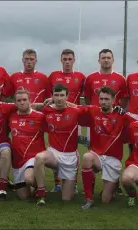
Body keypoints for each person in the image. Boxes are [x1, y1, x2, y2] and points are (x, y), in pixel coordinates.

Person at [78, 87, 131, 209]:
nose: (103, 101)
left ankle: (114, 184)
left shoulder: (122, 115)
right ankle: (88, 198)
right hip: (97, 156)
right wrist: (56, 101)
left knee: (106, 200)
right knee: (86, 157)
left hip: (113, 159)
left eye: (107, 99)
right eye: (101, 99)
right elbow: (74, 108)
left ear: (113, 100)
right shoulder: (93, 110)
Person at [32, 84, 82, 206]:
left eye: (62, 95)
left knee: (66, 199)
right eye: (56, 95)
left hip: (70, 157)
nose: (59, 98)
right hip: (53, 153)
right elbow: (32, 107)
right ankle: (41, 193)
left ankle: (69, 183)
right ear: (52, 96)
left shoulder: (76, 111)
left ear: (67, 96)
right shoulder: (47, 110)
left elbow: (94, 110)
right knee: (39, 158)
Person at [47, 49, 86, 192]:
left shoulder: (80, 77)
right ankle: (57, 183)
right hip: (57, 118)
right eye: (65, 59)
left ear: (74, 60)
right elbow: (49, 97)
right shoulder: (53, 76)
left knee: (73, 150)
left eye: (70, 59)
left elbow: (85, 99)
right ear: (61, 60)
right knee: (55, 148)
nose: (67, 62)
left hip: (73, 119)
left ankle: (73, 182)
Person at [9, 90, 47, 200]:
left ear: (30, 101)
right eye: (19, 100)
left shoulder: (40, 117)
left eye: (25, 100)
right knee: (24, 196)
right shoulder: (11, 117)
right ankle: (36, 187)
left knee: (29, 178)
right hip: (17, 161)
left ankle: (40, 189)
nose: (22, 102)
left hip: (33, 158)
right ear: (15, 103)